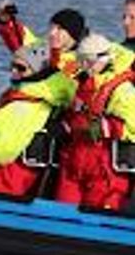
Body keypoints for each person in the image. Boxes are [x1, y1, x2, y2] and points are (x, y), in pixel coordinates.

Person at [54, 33, 135, 211]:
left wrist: (104, 127)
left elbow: (132, 125)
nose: (82, 66)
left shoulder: (121, 90)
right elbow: (75, 115)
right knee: (62, 212)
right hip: (74, 163)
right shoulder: (82, 83)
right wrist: (65, 126)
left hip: (103, 170)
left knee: (97, 217)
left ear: (102, 60)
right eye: (81, 60)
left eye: (86, 61)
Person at [0, 45, 57, 197]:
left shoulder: (24, 105)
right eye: (12, 66)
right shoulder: (34, 98)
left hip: (9, 172)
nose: (14, 71)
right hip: (14, 169)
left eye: (21, 68)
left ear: (37, 72)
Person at [0, 0, 86, 77]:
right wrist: (5, 19)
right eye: (51, 27)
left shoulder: (82, 61)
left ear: (72, 34)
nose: (52, 33)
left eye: (60, 29)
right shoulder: (41, 48)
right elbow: (17, 35)